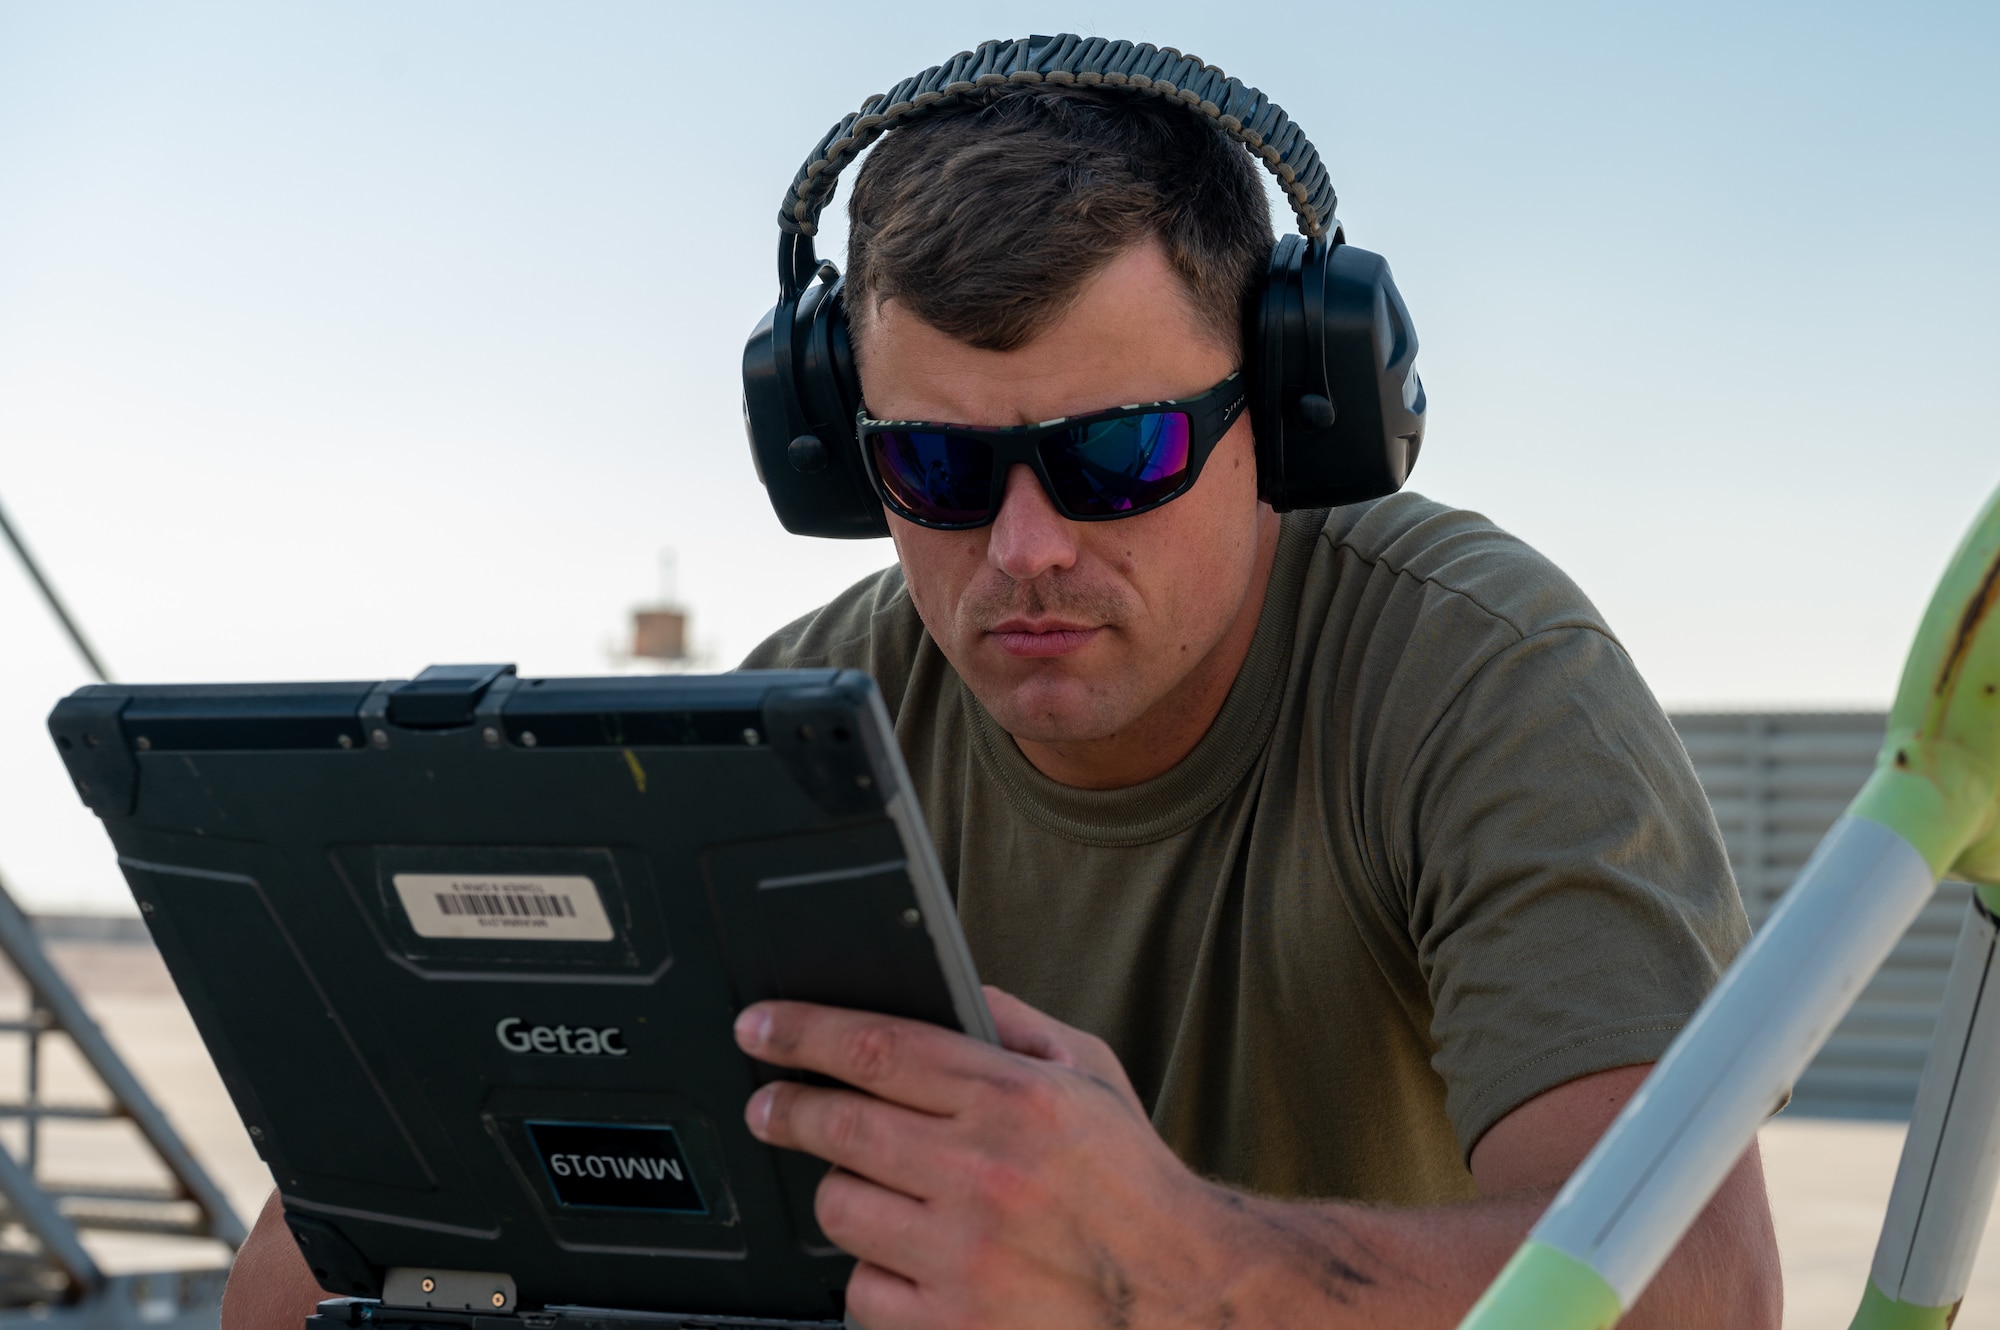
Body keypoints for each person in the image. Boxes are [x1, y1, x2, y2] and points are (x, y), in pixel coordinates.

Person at [223, 76, 1782, 1330]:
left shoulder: (1482, 677)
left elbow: (1704, 1292)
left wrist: (1173, 1261)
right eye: (941, 469)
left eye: (1119, 458)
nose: (1025, 549)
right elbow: (309, 1272)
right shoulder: (798, 728)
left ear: (1293, 420)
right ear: (848, 459)